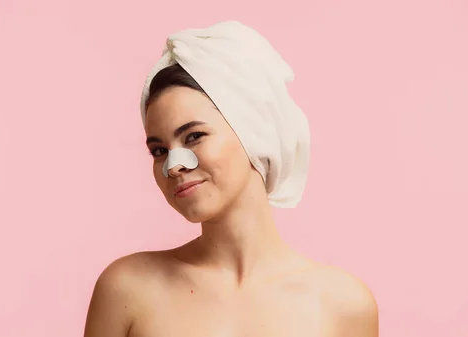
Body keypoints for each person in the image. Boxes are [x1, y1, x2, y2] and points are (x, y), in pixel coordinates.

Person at [83, 21, 378, 337]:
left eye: (194, 135)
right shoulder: (127, 290)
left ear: (255, 132)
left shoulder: (343, 305)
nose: (173, 165)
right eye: (158, 150)